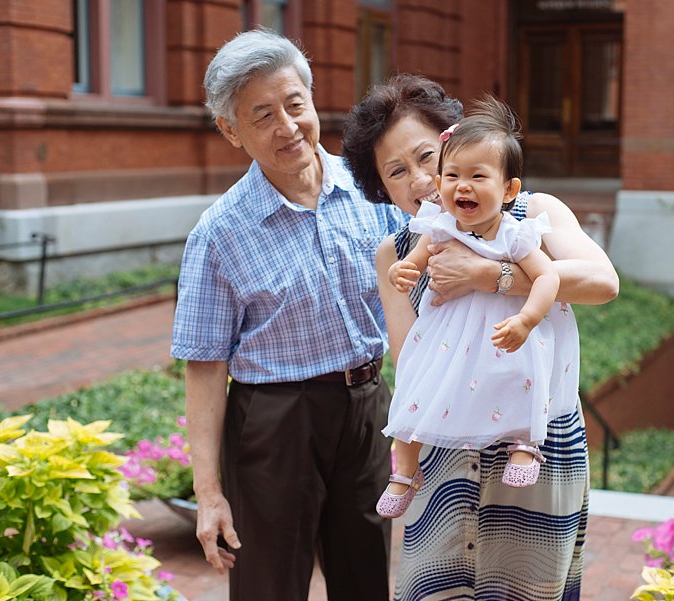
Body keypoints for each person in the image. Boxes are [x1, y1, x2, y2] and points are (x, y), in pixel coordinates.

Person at [343, 74, 619, 600]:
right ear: (382, 186)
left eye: (426, 157)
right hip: (445, 446)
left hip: (533, 444)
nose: (422, 181)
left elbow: (603, 283)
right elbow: (410, 360)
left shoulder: (533, 214)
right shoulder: (398, 252)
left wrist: (486, 276)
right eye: (396, 172)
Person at [170, 29, 405, 601]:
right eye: (263, 116)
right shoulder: (219, 234)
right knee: (269, 588)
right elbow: (203, 368)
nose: (288, 126)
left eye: (295, 104)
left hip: (367, 408)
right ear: (232, 131)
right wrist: (209, 495)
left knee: (368, 579)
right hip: (275, 425)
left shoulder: (372, 190)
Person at [378, 97, 564, 520]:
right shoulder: (438, 225)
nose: (462, 186)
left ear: (509, 189)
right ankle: (405, 469)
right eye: (453, 175)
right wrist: (401, 273)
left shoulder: (515, 235)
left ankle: (524, 443)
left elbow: (548, 276)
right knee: (415, 382)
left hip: (502, 328)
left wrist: (527, 319)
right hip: (445, 332)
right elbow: (413, 262)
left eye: (478, 176)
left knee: (520, 373)